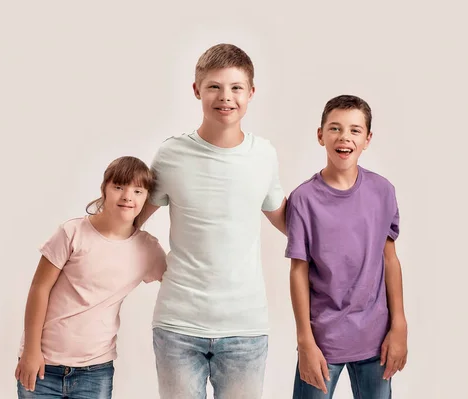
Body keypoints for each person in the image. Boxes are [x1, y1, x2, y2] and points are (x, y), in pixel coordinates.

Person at [136, 43, 287, 399]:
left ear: (251, 93)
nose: (226, 97)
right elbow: (131, 221)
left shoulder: (263, 154)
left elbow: (286, 219)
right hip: (178, 325)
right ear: (196, 90)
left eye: (236, 88)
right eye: (214, 87)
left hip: (245, 327)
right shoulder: (171, 155)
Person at [286, 95, 408, 398]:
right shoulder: (303, 199)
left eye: (355, 130)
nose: (345, 137)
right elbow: (298, 270)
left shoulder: (382, 191)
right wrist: (305, 341)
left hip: (376, 339)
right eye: (335, 128)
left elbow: (390, 260)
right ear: (320, 135)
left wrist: (400, 325)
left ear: (367, 139)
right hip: (323, 341)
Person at [15, 156, 167, 399]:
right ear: (104, 189)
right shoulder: (72, 233)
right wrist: (31, 351)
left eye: (138, 191)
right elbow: (39, 288)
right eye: (119, 187)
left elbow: (179, 279)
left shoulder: (147, 249)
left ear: (147, 198)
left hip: (95, 372)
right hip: (43, 365)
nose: (128, 196)